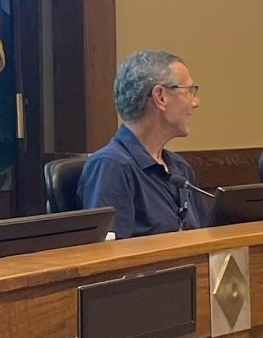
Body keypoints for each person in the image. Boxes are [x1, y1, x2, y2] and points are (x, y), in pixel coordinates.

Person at [80, 50, 207, 237]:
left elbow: (205, 239)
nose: (196, 102)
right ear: (160, 97)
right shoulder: (111, 167)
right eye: (189, 91)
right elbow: (112, 256)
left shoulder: (179, 167)